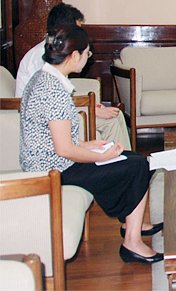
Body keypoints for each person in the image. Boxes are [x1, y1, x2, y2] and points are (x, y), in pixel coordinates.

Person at [19, 24, 162, 264]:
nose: (89, 57)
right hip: (53, 172)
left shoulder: (45, 78)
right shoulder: (52, 90)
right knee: (138, 165)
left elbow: (55, 137)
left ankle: (132, 229)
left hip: (53, 163)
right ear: (75, 55)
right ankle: (132, 243)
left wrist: (89, 145)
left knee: (136, 160)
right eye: (87, 53)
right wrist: (102, 156)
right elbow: (64, 150)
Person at [16, 3, 131, 150]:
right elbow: (50, 103)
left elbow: (59, 96)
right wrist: (90, 108)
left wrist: (92, 105)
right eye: (77, 30)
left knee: (116, 115)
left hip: (52, 112)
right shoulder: (43, 58)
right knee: (111, 120)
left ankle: (125, 158)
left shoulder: (54, 52)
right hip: (40, 119)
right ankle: (118, 159)